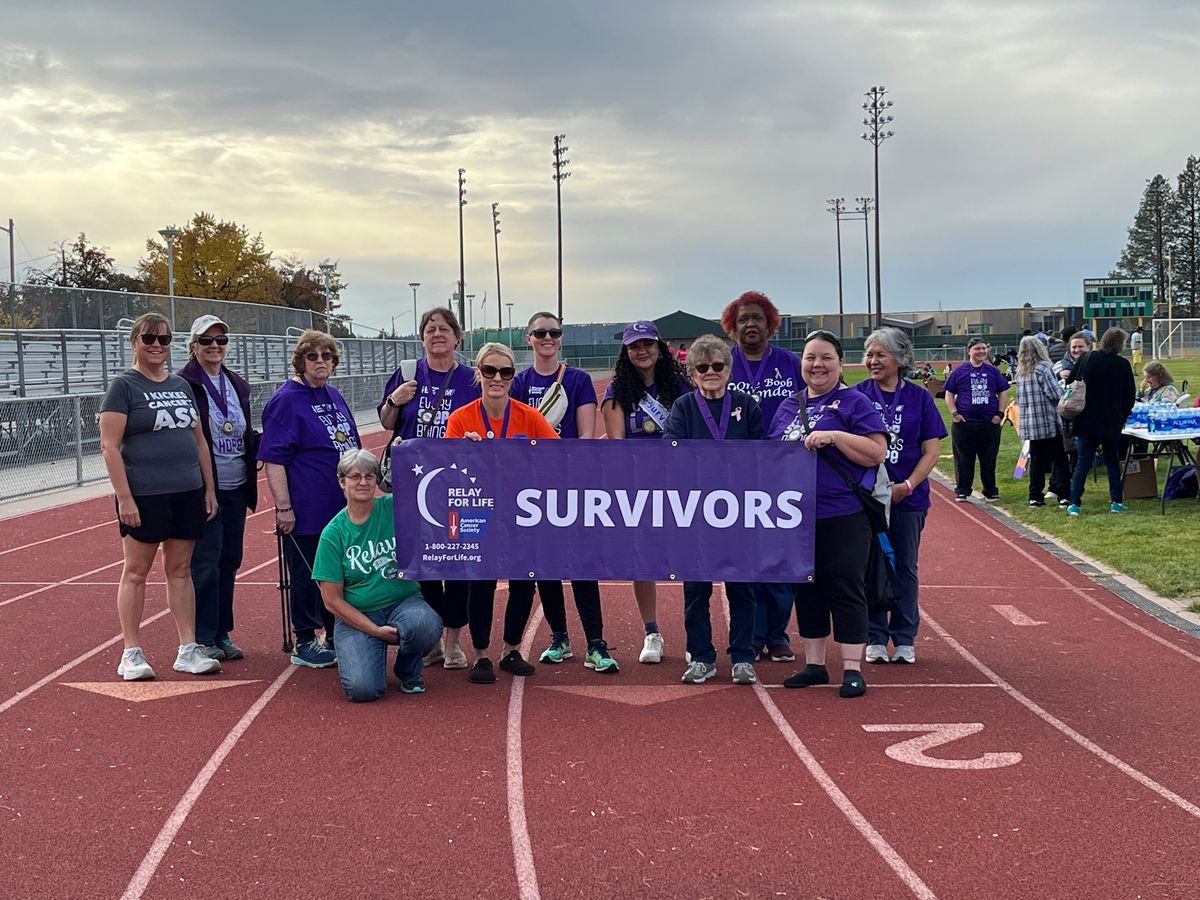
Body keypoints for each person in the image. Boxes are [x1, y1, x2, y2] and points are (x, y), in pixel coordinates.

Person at [98, 312, 221, 680]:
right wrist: (125, 498)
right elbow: (109, 445)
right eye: (149, 338)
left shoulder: (182, 386)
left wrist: (209, 489)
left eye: (164, 340)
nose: (156, 345)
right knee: (136, 572)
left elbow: (199, 440)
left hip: (187, 491)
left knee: (180, 571)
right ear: (135, 341)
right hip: (146, 494)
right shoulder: (124, 386)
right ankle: (131, 653)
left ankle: (187, 648)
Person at [770, 330, 887, 698]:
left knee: (845, 585)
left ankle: (852, 668)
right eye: (810, 358)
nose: (817, 365)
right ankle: (815, 664)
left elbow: (876, 452)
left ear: (839, 363)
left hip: (844, 512)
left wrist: (834, 436)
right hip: (798, 516)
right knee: (807, 587)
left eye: (825, 358)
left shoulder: (854, 402)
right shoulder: (789, 406)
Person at [511, 312, 619, 673]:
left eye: (553, 332)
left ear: (561, 338)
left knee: (582, 563)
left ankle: (596, 642)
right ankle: (559, 637)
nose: (547, 338)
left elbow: (586, 437)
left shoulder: (577, 380)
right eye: (540, 332)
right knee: (546, 566)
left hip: (570, 484)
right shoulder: (520, 382)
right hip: (531, 489)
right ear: (529, 338)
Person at [446, 342, 560, 684]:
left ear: (513, 377)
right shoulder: (461, 418)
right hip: (477, 511)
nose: (498, 378)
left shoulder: (529, 416)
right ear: (478, 374)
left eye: (506, 372)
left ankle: (511, 649)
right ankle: (481, 654)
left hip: (520, 514)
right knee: (479, 584)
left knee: (524, 583)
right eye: (490, 371)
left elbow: (558, 457)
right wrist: (465, 452)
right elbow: (448, 469)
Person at [378, 307, 480, 670]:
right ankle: (433, 638)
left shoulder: (471, 379)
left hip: (455, 486)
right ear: (422, 337)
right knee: (420, 566)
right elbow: (387, 422)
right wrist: (395, 400)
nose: (437, 334)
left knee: (456, 564)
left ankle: (454, 641)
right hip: (411, 487)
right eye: (430, 329)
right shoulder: (408, 373)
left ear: (457, 336)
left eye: (444, 329)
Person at [662, 334, 766, 686]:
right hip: (696, 513)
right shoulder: (684, 408)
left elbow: (762, 455)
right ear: (692, 373)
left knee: (742, 588)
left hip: (739, 511)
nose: (711, 372)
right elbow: (670, 451)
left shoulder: (747, 405)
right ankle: (701, 657)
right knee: (696, 591)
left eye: (718, 365)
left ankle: (742, 657)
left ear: (729, 369)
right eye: (702, 367)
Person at [259, 329, 361, 668]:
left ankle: (333, 635)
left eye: (327, 356)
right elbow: (274, 459)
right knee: (307, 574)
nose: (321, 361)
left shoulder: (333, 394)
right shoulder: (286, 400)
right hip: (307, 507)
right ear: (300, 360)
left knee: (339, 573)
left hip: (341, 506)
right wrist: (284, 507)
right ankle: (304, 639)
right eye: (313, 356)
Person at [313, 449, 443, 700]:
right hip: (358, 615)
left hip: (403, 603)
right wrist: (374, 630)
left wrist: (469, 449)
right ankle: (370, 651)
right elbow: (332, 600)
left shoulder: (394, 508)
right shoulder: (333, 534)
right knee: (363, 690)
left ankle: (409, 669)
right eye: (355, 476)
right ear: (342, 482)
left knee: (426, 625)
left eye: (370, 476)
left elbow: (434, 487)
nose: (363, 482)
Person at [600, 320, 690, 664]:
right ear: (626, 351)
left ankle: (695, 630)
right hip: (639, 486)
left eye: (648, 344)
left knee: (688, 556)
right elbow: (617, 448)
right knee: (643, 559)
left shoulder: (680, 387)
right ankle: (651, 630)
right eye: (635, 346)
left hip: (678, 484)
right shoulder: (617, 391)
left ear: (659, 347)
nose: (642, 351)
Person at [720, 290, 802, 663]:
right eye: (743, 320)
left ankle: (777, 633)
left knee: (780, 559)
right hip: (734, 479)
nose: (750, 325)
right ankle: (750, 634)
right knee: (743, 560)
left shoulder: (790, 363)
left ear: (770, 323)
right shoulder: (723, 364)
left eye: (757, 318)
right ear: (732, 328)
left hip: (783, 475)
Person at [856, 328, 946, 666]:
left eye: (880, 354)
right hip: (868, 499)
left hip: (909, 498)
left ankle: (905, 637)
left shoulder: (919, 397)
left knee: (904, 566)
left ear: (900, 358)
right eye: (870, 354)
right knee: (871, 565)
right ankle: (875, 636)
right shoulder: (857, 395)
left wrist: (907, 486)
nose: (873, 361)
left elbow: (931, 450)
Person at [178, 315, 258, 661]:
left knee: (230, 560)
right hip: (203, 488)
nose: (214, 346)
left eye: (221, 340)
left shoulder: (237, 384)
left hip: (236, 484)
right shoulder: (183, 384)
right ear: (193, 346)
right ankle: (202, 636)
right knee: (205, 564)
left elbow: (243, 430)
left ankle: (222, 631)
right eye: (207, 340)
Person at [1065, 327, 1136, 516]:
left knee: (1083, 462)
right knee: (1112, 461)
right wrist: (1123, 415)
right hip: (1111, 420)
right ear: (1120, 344)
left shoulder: (1087, 359)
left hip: (1086, 418)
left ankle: (1074, 503)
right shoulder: (1122, 364)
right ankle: (1116, 501)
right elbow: (1130, 395)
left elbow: (1070, 382)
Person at [943, 337, 1009, 502]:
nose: (981, 352)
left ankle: (990, 490)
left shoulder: (992, 371)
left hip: (989, 423)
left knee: (989, 458)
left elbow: (1003, 393)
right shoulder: (960, 371)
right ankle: (963, 490)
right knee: (964, 458)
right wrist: (955, 413)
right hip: (965, 423)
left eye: (983, 349)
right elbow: (949, 393)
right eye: (977, 349)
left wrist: (999, 414)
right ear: (969, 351)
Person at [1014, 335, 1071, 508]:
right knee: (1059, 459)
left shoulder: (1021, 372)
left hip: (1030, 424)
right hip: (1047, 421)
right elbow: (1054, 394)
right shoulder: (1044, 367)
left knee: (1037, 461)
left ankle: (1035, 496)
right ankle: (1063, 495)